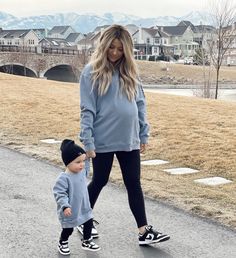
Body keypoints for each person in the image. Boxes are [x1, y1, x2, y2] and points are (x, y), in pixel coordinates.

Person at [78, 24, 170, 245]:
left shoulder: (130, 71)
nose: (115, 53)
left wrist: (143, 134)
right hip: (103, 139)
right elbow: (87, 109)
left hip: (129, 138)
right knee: (100, 180)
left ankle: (144, 230)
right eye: (111, 48)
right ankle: (83, 219)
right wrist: (88, 141)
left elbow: (140, 103)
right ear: (104, 46)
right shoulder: (91, 72)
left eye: (120, 49)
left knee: (133, 183)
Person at [53, 139, 101, 255]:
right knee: (68, 229)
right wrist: (65, 206)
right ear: (68, 163)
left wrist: (88, 155)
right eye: (78, 162)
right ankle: (63, 242)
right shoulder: (64, 178)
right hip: (70, 209)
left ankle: (86, 240)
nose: (82, 165)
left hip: (84, 207)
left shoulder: (82, 171)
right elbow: (60, 193)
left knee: (88, 222)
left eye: (82, 161)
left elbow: (87, 165)